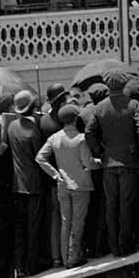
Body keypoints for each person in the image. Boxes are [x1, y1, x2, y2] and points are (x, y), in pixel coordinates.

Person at [87, 70, 139, 256]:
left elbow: (89, 133)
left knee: (112, 206)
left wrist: (99, 151)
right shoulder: (134, 104)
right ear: (123, 84)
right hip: (129, 162)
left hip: (108, 163)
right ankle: (126, 246)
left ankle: (114, 247)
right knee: (126, 205)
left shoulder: (99, 108)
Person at [36, 103, 96, 267]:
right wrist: (98, 162)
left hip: (62, 185)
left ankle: (65, 258)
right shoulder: (81, 139)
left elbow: (40, 158)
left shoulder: (54, 138)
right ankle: (73, 257)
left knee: (65, 222)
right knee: (78, 222)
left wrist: (55, 174)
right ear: (75, 119)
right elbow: (88, 163)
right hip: (81, 185)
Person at [4, 90, 47, 278]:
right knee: (34, 227)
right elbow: (40, 157)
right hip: (34, 184)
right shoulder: (34, 130)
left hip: (16, 184)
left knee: (20, 228)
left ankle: (20, 267)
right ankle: (33, 266)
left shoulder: (11, 126)